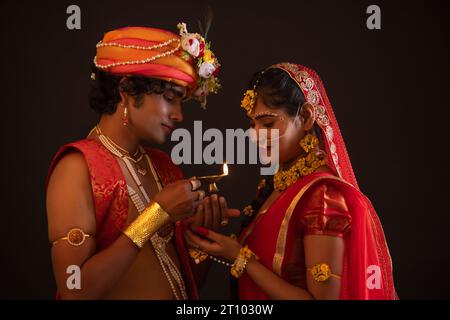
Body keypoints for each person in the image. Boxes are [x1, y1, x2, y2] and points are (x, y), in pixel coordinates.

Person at [46, 23, 237, 300]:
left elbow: (183, 279)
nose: (178, 115)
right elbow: (74, 289)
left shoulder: (163, 166)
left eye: (181, 102)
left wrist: (199, 238)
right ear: (126, 90)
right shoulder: (77, 167)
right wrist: (156, 214)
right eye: (170, 99)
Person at [185, 63, 398, 299]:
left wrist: (239, 258)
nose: (255, 137)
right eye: (252, 124)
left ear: (306, 117)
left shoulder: (324, 197)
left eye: (267, 124)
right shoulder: (278, 185)